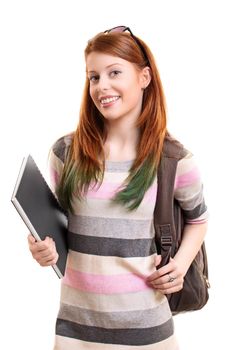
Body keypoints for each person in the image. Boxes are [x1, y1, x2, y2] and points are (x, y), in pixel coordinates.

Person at [27, 26, 208, 349]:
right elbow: (58, 226)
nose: (102, 86)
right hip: (75, 330)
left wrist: (179, 265)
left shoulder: (173, 159)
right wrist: (45, 249)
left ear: (144, 77)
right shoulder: (65, 153)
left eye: (114, 72)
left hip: (148, 331)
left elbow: (198, 218)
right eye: (94, 76)